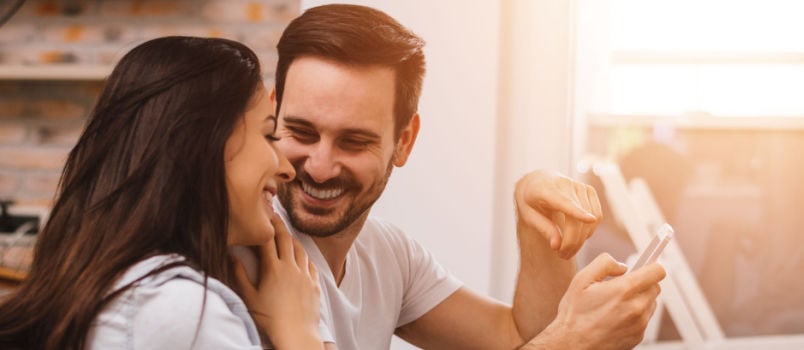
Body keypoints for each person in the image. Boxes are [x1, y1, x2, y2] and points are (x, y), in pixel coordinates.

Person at [262, 4, 667, 349]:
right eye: (302, 132)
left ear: (404, 141)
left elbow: (519, 337)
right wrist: (571, 341)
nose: (319, 165)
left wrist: (535, 214)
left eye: (353, 142)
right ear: (272, 112)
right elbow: (550, 340)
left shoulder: (388, 255)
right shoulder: (246, 248)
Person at [0, 36, 331, 349]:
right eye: (269, 134)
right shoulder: (180, 313)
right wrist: (300, 334)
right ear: (201, 144)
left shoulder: (120, 289)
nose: (287, 168)